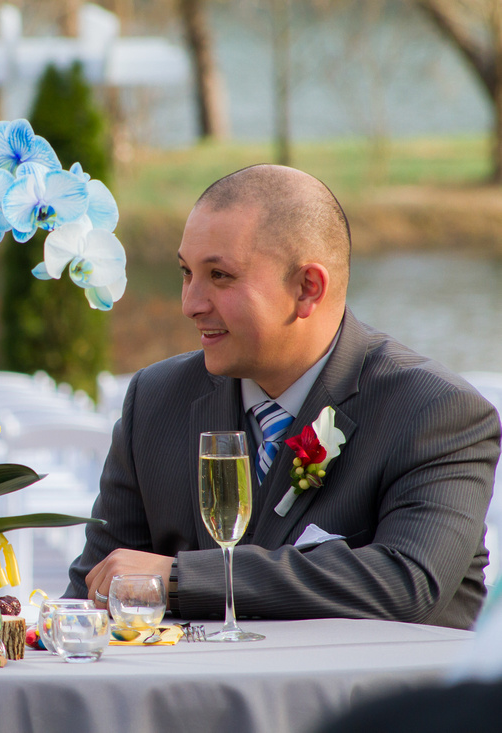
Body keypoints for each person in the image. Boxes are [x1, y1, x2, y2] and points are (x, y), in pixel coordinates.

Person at [67, 164, 500, 629]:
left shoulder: (435, 412)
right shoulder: (156, 403)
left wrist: (179, 578)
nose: (190, 303)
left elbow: (407, 583)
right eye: (186, 273)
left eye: (219, 276)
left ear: (307, 288)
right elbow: (92, 593)